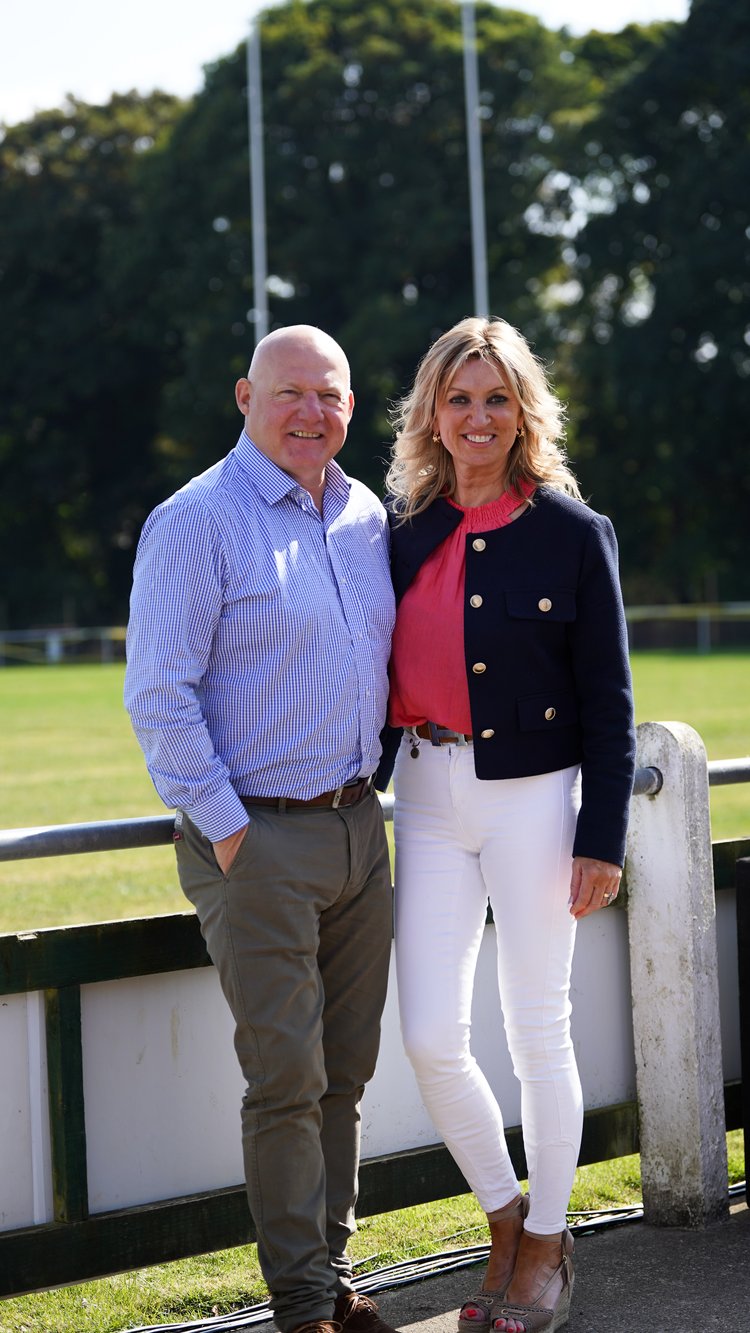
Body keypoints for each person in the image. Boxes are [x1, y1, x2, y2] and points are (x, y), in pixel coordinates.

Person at [124, 325, 398, 1333]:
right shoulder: (198, 521)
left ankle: (330, 1270)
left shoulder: (366, 514)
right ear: (246, 396)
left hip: (359, 830)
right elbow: (159, 695)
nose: (309, 413)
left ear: (351, 407)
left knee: (348, 1074)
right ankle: (302, 1307)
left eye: (329, 395)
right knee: (287, 1079)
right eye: (289, 393)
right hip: (258, 841)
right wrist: (234, 833)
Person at [374, 316, 636, 1333]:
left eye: (496, 397)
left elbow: (611, 703)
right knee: (431, 1032)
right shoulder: (402, 534)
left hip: (537, 799)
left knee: (538, 1032)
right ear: (431, 416)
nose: (478, 417)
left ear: (523, 409)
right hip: (428, 796)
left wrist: (601, 836)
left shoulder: (573, 531)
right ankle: (506, 1217)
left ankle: (550, 1246)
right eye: (459, 398)